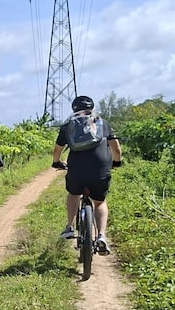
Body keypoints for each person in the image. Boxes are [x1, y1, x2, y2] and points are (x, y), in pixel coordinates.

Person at [51, 94, 124, 254]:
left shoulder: (68, 126)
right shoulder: (102, 123)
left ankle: (70, 227)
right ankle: (101, 236)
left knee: (73, 194)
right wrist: (117, 162)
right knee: (99, 202)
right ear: (92, 108)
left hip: (77, 168)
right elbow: (116, 147)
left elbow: (58, 150)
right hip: (100, 166)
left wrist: (57, 162)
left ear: (74, 109)